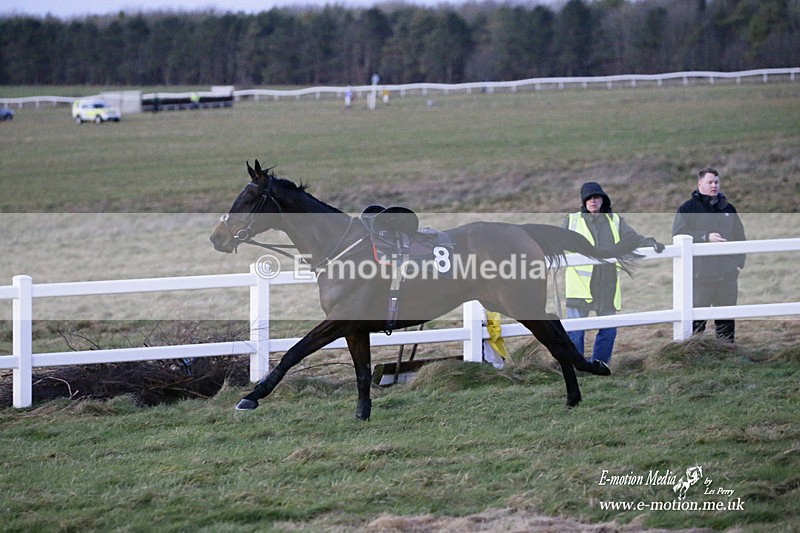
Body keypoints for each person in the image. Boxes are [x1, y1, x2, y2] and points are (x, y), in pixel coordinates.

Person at [563, 182, 664, 364]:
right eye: (589, 198)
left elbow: (631, 237)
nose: (593, 201)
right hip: (580, 286)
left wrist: (649, 242)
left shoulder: (615, 220)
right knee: (576, 330)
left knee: (608, 329)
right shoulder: (571, 220)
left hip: (607, 284)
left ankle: (600, 364)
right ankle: (576, 366)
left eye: (596, 197)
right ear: (583, 201)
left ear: (603, 200)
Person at [672, 167, 746, 342]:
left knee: (726, 319)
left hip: (727, 276)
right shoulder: (687, 209)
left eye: (716, 182)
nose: (714, 185)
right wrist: (705, 237)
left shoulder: (728, 208)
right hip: (700, 277)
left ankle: (727, 354)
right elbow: (678, 234)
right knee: (697, 320)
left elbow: (740, 237)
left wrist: (737, 264)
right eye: (710, 182)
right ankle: (695, 354)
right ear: (700, 184)